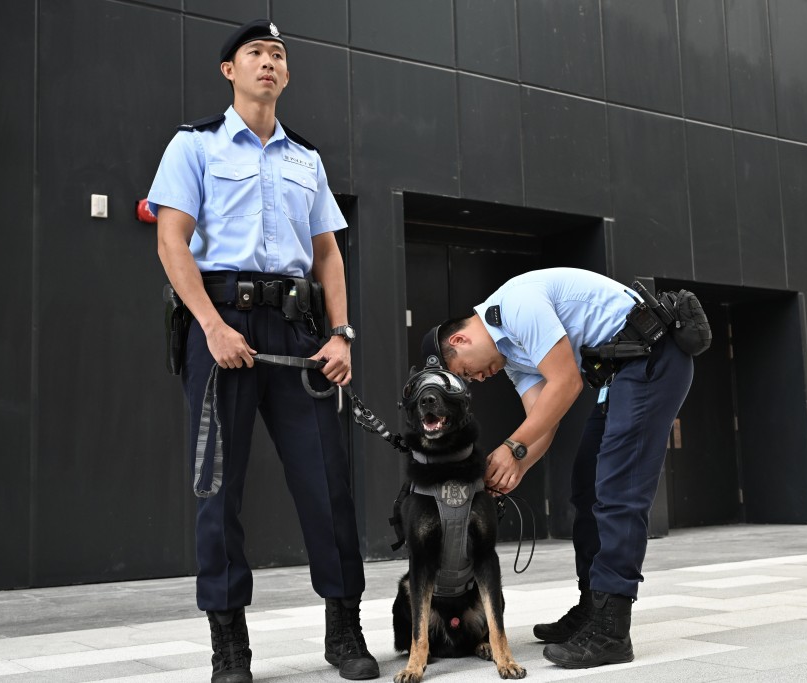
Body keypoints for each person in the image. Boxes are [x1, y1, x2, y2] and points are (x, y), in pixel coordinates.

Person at [148, 19, 377, 683]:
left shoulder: (307, 158)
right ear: (230, 70)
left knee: (329, 482)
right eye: (256, 53)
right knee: (218, 492)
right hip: (221, 329)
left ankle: (344, 630)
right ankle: (229, 647)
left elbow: (329, 250)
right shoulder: (194, 145)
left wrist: (341, 333)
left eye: (278, 54)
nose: (269, 63)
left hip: (298, 332)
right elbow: (171, 241)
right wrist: (211, 327)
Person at [421, 267, 695, 670]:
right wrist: (517, 466)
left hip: (653, 359)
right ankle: (592, 606)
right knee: (587, 486)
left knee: (618, 492)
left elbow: (565, 383)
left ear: (459, 340)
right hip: (622, 372)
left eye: (465, 371)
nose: (478, 379)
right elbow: (543, 420)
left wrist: (512, 447)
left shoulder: (514, 306)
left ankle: (612, 630)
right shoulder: (512, 355)